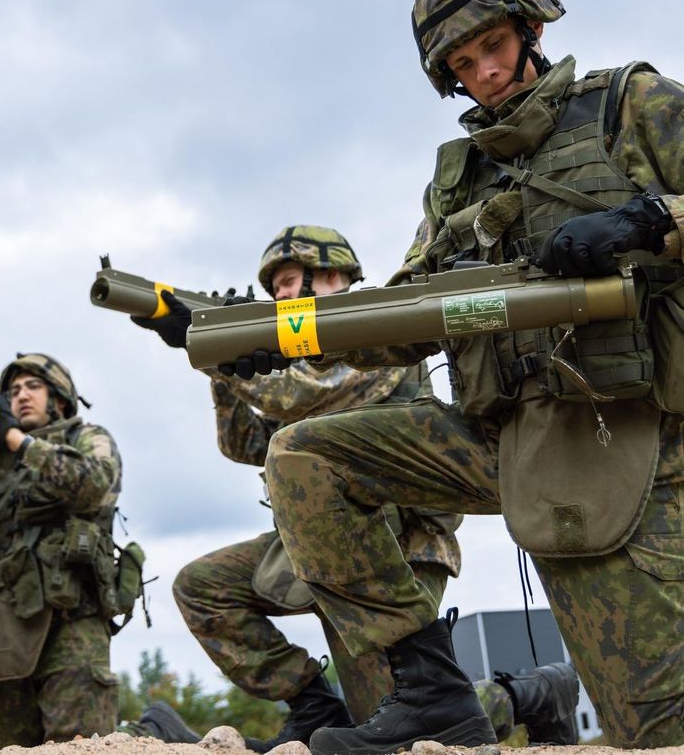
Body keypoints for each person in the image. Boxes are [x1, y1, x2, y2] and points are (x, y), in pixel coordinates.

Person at [227, 0, 684, 753]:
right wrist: (281, 341)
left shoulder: (628, 105)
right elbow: (403, 313)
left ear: (532, 30)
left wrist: (649, 220)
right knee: (305, 457)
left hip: (645, 441)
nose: (486, 72)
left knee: (656, 728)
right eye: (462, 66)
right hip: (512, 441)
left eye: (495, 46)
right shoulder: (458, 178)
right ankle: (433, 692)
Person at [135, 226, 579, 749]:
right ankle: (313, 704)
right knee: (202, 588)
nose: (279, 295)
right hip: (317, 540)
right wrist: (220, 366)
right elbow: (243, 442)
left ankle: (527, 695)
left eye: (289, 281)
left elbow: (295, 397)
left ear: (331, 277)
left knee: (411, 717)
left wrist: (220, 343)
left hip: (392, 545)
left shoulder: (373, 331)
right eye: (274, 288)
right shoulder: (295, 360)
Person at [0, 353, 126, 748]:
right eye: (14, 390)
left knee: (79, 745)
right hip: (7, 626)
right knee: (11, 747)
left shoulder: (87, 438)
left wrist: (19, 442)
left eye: (33, 387)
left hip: (74, 619)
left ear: (59, 398)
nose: (21, 396)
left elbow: (94, 486)